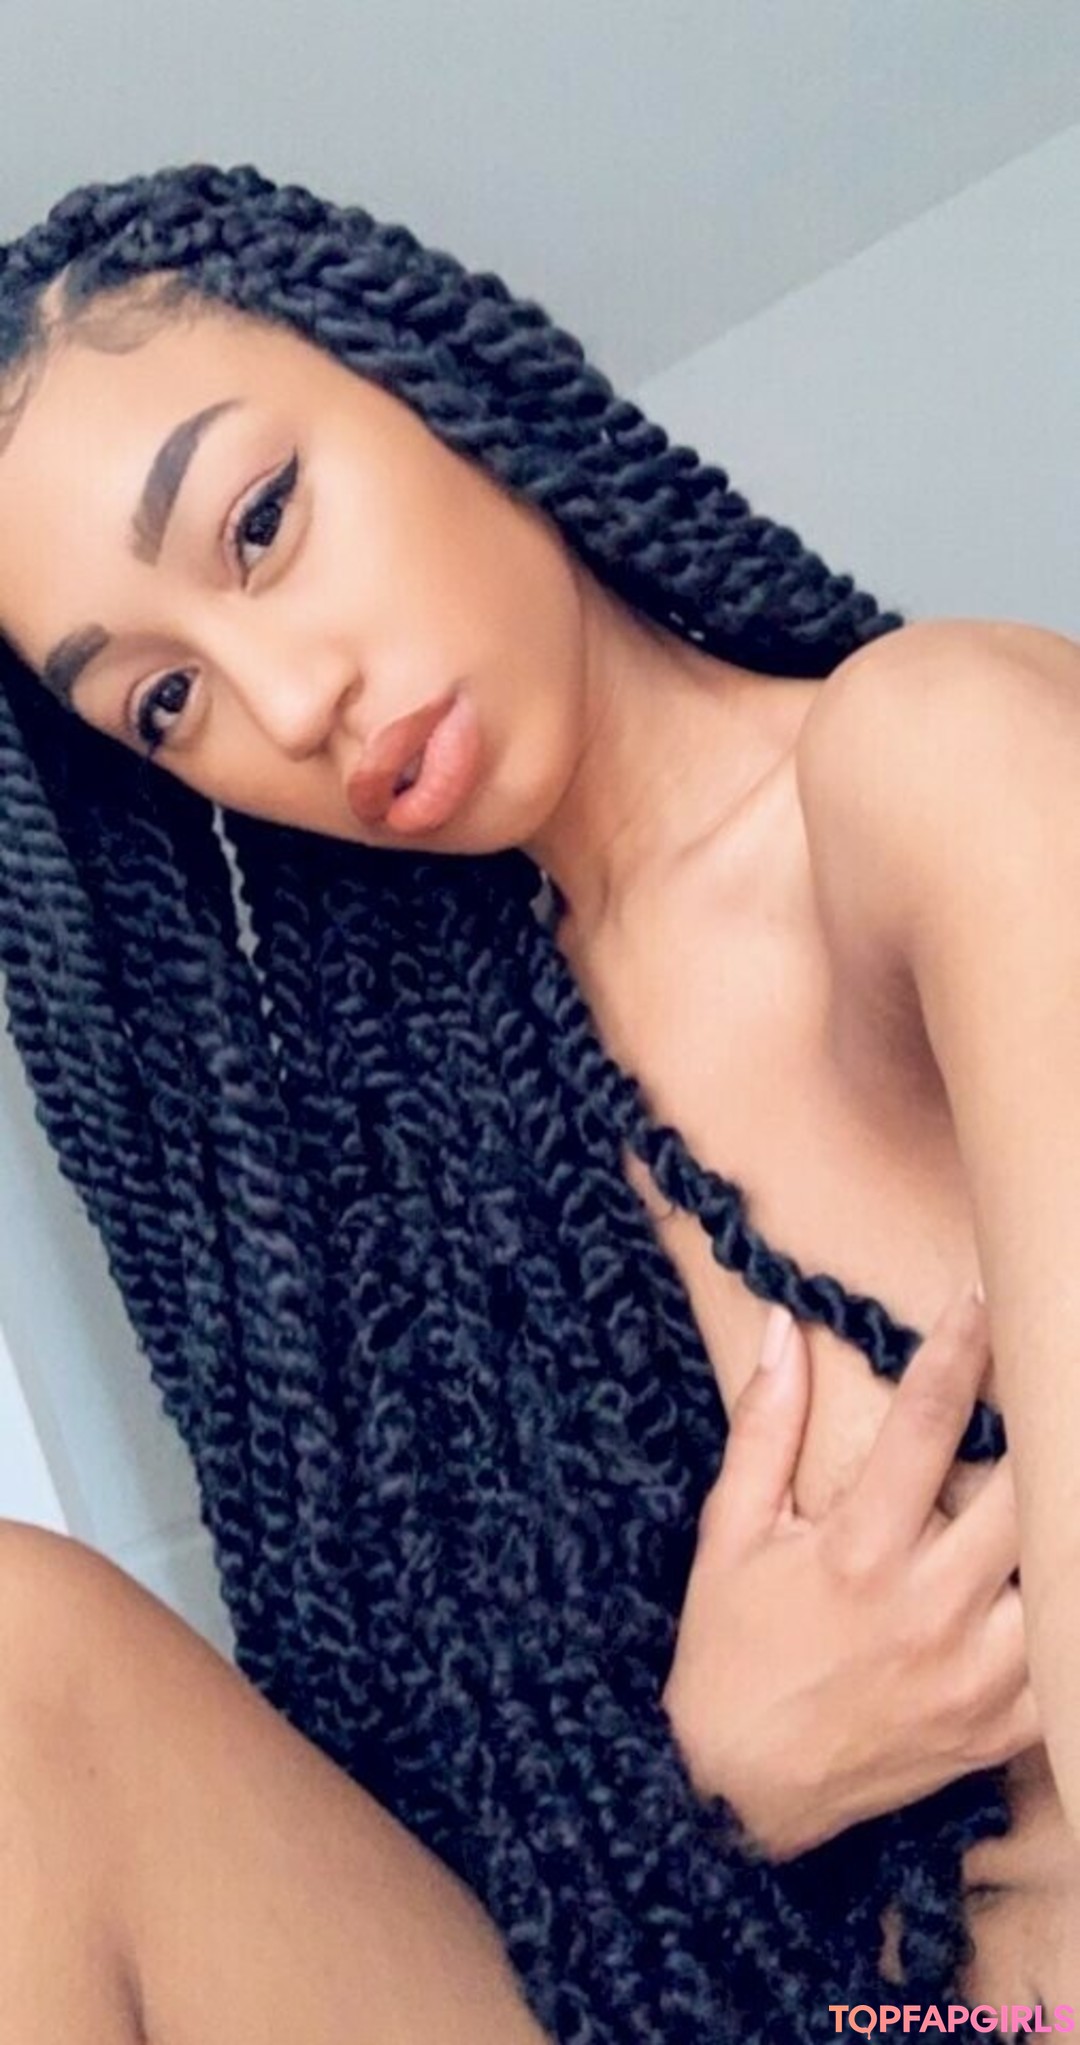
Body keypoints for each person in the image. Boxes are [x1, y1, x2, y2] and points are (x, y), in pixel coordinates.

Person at [0, 161, 1072, 2036]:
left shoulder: (941, 762)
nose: (285, 701)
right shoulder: (413, 1203)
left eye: (261, 521)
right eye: (163, 706)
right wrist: (711, 1787)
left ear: (407, 367)